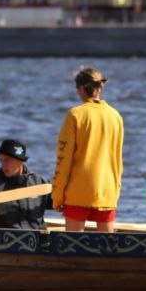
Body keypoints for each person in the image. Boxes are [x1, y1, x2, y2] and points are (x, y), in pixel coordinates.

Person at [52, 66, 124, 233]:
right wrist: (115, 192)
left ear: (82, 89)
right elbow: (118, 159)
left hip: (78, 192)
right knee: (107, 249)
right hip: (107, 191)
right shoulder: (115, 116)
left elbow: (63, 160)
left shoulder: (75, 115)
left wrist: (57, 196)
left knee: (72, 247)